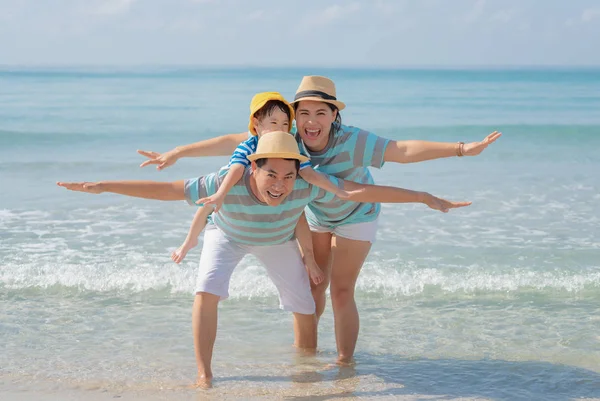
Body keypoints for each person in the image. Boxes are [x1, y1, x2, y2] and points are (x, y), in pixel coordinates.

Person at [57, 131, 472, 387]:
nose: (280, 185)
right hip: (229, 236)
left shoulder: (305, 187)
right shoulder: (225, 180)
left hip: (276, 241)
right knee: (207, 289)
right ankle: (205, 373)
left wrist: (423, 197)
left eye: (289, 176)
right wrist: (104, 186)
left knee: (306, 303)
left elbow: (357, 192)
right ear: (252, 167)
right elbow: (168, 189)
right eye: (271, 174)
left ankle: (307, 366)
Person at [137, 76, 501, 366]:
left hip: (356, 212)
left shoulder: (354, 141)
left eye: (321, 113)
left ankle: (345, 364)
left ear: (334, 115)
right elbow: (236, 141)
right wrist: (177, 152)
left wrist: (460, 150)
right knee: (313, 288)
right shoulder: (288, 138)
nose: (312, 122)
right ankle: (307, 360)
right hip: (314, 213)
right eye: (304, 113)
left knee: (341, 290)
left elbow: (401, 151)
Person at [166, 92, 354, 285]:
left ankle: (309, 258)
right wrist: (220, 194)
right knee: (208, 203)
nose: (279, 129)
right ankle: (189, 241)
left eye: (284, 124)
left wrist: (337, 190)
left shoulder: (289, 145)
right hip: (235, 185)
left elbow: (308, 173)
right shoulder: (250, 144)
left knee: (298, 212)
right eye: (274, 123)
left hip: (273, 192)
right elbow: (237, 168)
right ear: (257, 124)